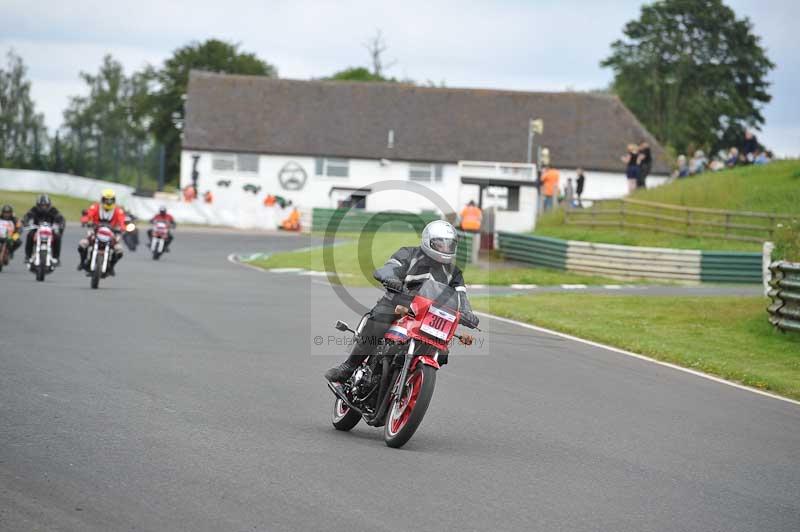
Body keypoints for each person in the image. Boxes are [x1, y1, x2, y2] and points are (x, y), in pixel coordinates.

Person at [324, 220, 480, 383]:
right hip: (397, 304)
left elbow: (461, 295)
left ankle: (410, 379)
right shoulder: (408, 254)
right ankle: (350, 366)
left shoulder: (454, 273)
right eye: (440, 244)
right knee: (379, 321)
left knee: (442, 352)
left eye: (449, 245)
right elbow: (388, 268)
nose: (445, 249)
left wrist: (467, 313)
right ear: (428, 241)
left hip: (428, 315)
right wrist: (390, 278)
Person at [77, 189, 126, 274]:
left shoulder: (118, 211)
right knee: (82, 244)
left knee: (119, 250)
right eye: (107, 200)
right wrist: (85, 220)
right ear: (102, 199)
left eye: (111, 200)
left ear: (114, 200)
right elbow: (88, 215)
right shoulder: (95, 207)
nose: (108, 202)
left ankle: (111, 267)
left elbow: (122, 222)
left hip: (112, 234)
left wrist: (122, 228)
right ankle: (82, 262)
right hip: (95, 232)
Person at [22, 194, 65, 265]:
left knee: (57, 237)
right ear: (38, 205)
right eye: (42, 205)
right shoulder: (34, 209)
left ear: (49, 205)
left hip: (50, 230)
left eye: (45, 205)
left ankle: (56, 257)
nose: (43, 207)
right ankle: (28, 256)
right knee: (30, 235)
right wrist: (25, 222)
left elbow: (60, 218)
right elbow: (27, 216)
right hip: (37, 229)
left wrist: (60, 225)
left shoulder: (53, 210)